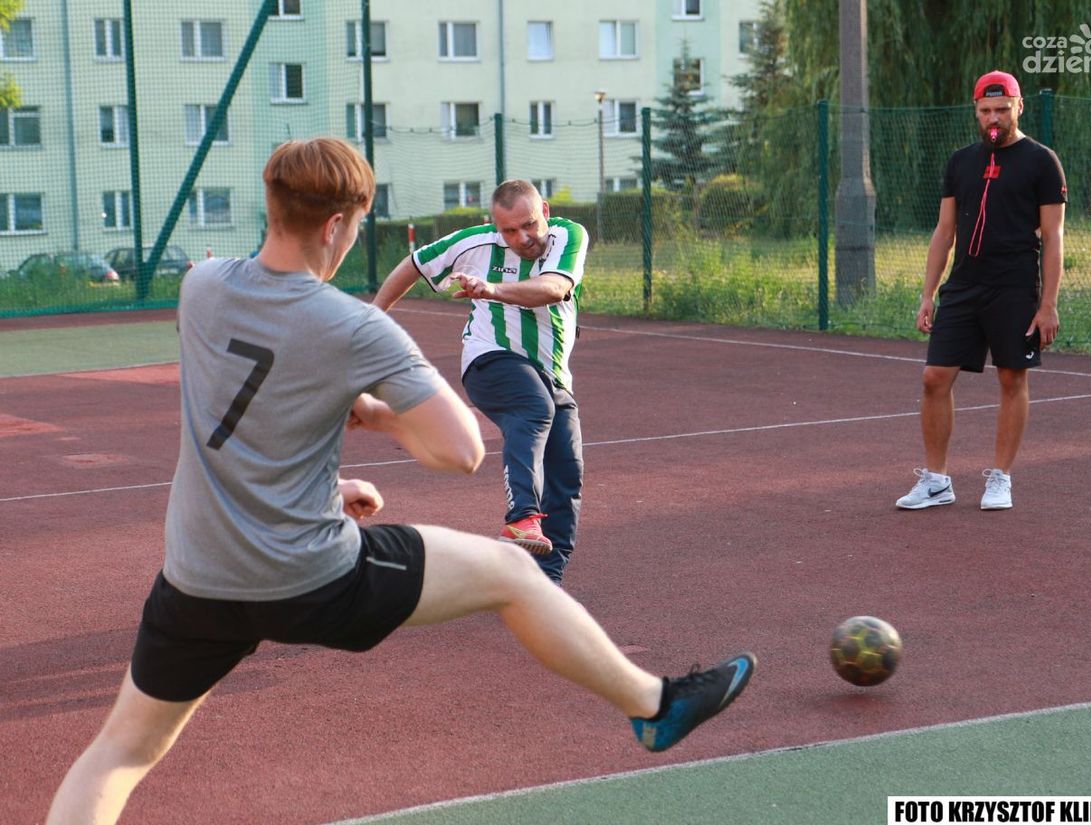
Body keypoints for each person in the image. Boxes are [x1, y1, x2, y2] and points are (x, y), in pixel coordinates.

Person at [46, 138, 756, 825]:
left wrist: (324, 487)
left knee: (119, 751)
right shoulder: (353, 326)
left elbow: (242, 415)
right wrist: (381, 415)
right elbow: (461, 449)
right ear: (335, 225)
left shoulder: (201, 288)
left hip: (197, 578)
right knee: (512, 571)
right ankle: (653, 705)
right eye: (354, 225)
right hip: (309, 576)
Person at [375, 180, 587, 584]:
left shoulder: (568, 235)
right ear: (495, 225)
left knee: (567, 474)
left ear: (544, 210)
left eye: (528, 225)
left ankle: (545, 582)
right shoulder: (473, 243)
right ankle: (522, 518)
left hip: (553, 373)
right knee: (533, 407)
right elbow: (416, 264)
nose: (522, 238)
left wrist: (491, 288)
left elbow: (554, 288)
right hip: (490, 360)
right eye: (509, 230)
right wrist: (374, 316)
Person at [896, 70, 1066, 511]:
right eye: (986, 110)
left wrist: (1048, 304)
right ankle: (936, 481)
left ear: (1018, 107)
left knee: (1011, 378)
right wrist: (928, 293)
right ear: (975, 111)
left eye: (1002, 110)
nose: (994, 118)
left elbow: (1054, 238)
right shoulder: (961, 161)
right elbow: (944, 230)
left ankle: (1001, 478)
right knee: (934, 377)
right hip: (965, 285)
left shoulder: (1041, 161)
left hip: (1014, 286)